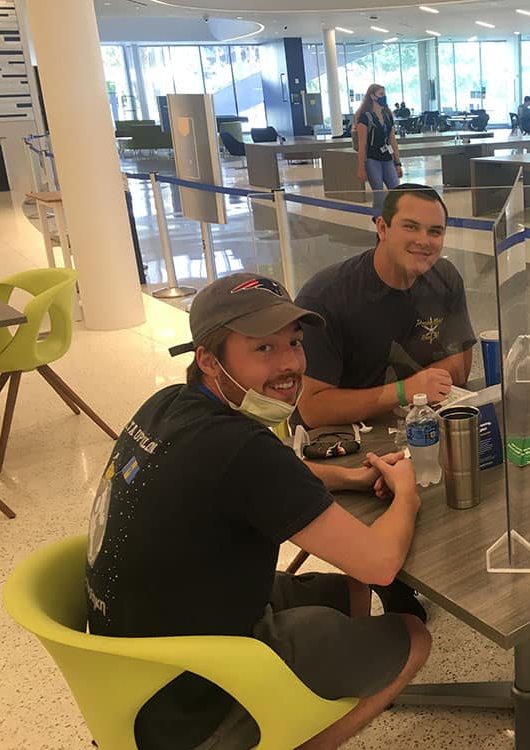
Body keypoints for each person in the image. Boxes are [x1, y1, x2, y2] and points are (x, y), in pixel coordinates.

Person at [86, 272, 432, 750]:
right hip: (193, 701)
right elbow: (380, 564)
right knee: (414, 635)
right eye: (264, 349)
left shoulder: (167, 404)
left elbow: (274, 474)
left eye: (294, 341)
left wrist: (349, 477)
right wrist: (407, 493)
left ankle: (317, 690)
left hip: (133, 670)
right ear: (209, 359)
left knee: (345, 590)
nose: (291, 363)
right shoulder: (241, 448)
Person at [295, 183, 474, 432]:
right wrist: (404, 392)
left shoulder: (444, 278)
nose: (423, 241)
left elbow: (461, 365)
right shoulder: (325, 297)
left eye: (435, 232)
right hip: (344, 439)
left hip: (415, 425)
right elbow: (312, 409)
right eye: (410, 227)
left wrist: (421, 389)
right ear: (382, 228)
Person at [355, 83, 403, 221]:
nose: (384, 97)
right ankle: (378, 218)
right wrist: (361, 168)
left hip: (387, 158)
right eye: (381, 94)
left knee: (395, 189)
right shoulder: (365, 118)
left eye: (384, 94)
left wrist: (397, 162)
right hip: (372, 159)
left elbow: (393, 141)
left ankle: (394, 218)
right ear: (372, 96)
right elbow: (362, 144)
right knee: (378, 192)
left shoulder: (388, 116)